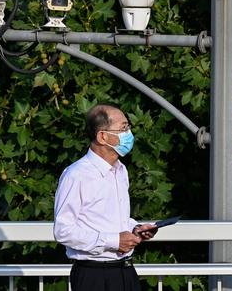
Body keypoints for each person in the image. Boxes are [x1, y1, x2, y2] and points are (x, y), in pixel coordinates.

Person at [53, 104, 158, 291]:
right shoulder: (76, 175)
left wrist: (135, 228)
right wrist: (113, 241)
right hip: (94, 274)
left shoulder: (121, 170)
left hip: (126, 270)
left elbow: (114, 219)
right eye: (123, 128)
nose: (129, 134)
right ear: (102, 136)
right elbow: (63, 231)